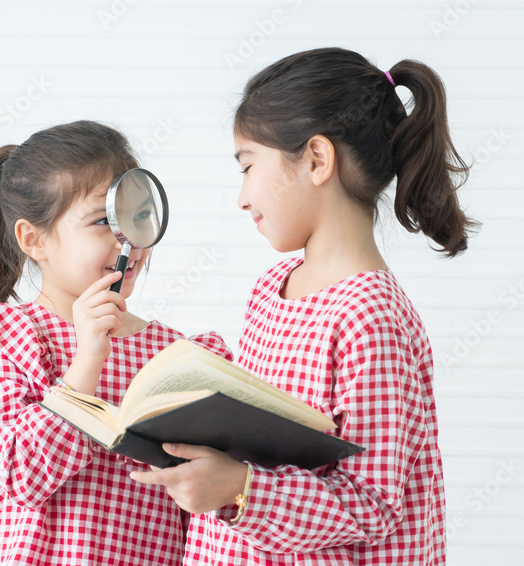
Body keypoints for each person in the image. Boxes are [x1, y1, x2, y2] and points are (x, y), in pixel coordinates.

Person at [131, 47, 475, 565]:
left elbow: (371, 504)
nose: (242, 198)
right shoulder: (271, 288)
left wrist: (238, 488)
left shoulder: (370, 315)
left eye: (248, 167)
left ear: (316, 159)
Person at [0, 120, 233, 565]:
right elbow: (20, 474)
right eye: (105, 220)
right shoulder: (8, 336)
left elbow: (203, 510)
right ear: (34, 239)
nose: (130, 238)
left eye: (140, 216)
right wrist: (86, 362)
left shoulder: (179, 356)